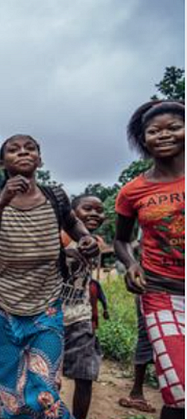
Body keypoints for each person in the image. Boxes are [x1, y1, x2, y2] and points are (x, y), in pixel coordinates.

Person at [0, 135, 99, 418]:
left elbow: (74, 225)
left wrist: (86, 239)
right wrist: (2, 202)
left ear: (40, 159)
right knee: (1, 383)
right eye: (13, 150)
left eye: (30, 148)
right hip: (1, 305)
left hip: (47, 307)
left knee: (42, 385)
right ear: (3, 163)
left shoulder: (56, 196)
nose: (23, 152)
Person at [115, 100, 185, 419]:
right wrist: (131, 264)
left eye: (174, 127)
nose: (164, 135)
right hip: (162, 294)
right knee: (180, 390)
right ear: (144, 140)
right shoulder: (132, 191)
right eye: (154, 131)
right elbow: (120, 240)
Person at [60, 194, 106, 419]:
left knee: (85, 375)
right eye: (88, 209)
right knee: (48, 374)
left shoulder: (96, 242)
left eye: (99, 210)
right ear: (71, 214)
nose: (95, 214)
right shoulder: (60, 236)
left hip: (80, 316)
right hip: (51, 316)